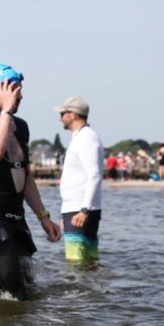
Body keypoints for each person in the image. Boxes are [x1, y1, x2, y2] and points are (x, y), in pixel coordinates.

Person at [0, 64, 61, 300]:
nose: (20, 96)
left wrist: (43, 217)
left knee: (29, 288)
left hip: (16, 217)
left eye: (19, 90)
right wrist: (6, 112)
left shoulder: (22, 127)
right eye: (13, 90)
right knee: (16, 296)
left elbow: (25, 176)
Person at [55, 97, 104, 263]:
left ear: (73, 114)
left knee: (75, 261)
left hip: (80, 210)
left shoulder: (86, 138)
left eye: (63, 113)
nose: (60, 117)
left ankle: (78, 289)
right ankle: (89, 288)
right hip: (75, 208)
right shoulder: (80, 137)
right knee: (88, 261)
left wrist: (84, 210)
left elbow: (94, 175)